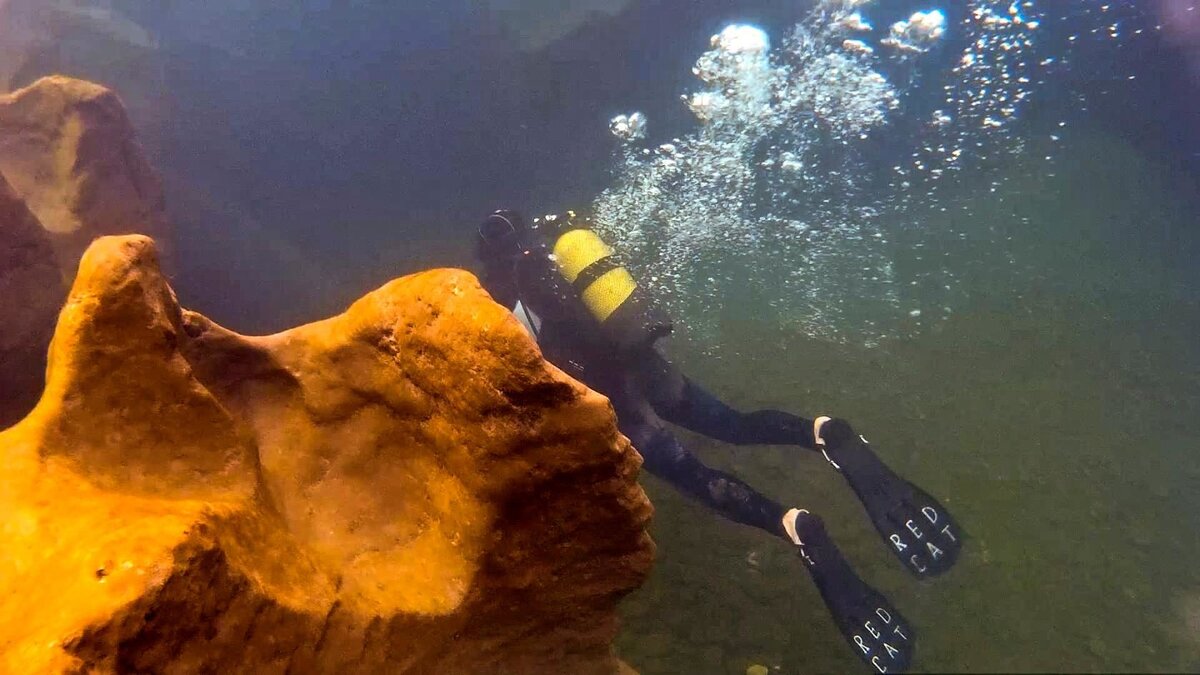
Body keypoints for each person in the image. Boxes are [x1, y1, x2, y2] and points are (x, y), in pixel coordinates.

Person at [474, 209, 963, 673]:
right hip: (648, 367)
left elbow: (530, 373)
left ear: (487, 255)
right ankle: (818, 431)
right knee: (734, 424)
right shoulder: (563, 254)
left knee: (692, 472)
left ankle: (789, 522)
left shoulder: (501, 299)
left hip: (613, 401)